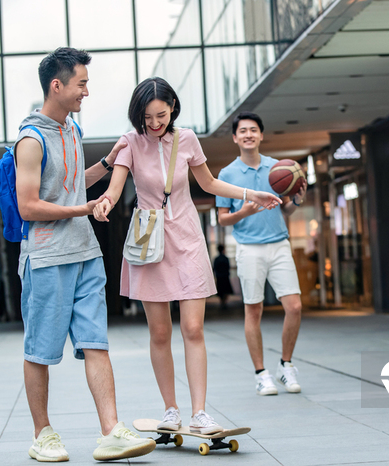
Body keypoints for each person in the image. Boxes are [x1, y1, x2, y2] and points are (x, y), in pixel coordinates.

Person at [93, 78, 281, 434]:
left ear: (173, 108)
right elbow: (114, 190)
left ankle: (199, 412)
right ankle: (170, 410)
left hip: (188, 240)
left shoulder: (188, 139)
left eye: (160, 115)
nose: (154, 123)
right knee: (160, 333)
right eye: (147, 116)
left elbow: (208, 184)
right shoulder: (130, 143)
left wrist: (250, 194)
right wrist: (104, 204)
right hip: (149, 243)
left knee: (193, 328)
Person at [14, 47, 155, 462]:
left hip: (85, 255)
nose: (86, 92)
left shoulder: (71, 129)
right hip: (46, 258)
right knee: (40, 351)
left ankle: (111, 430)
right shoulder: (31, 140)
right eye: (81, 84)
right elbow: (29, 206)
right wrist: (83, 209)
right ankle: (42, 434)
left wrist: (108, 163)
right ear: (56, 86)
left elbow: (75, 184)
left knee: (96, 343)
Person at [215, 112, 307, 396]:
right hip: (248, 248)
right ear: (235, 137)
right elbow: (222, 218)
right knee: (253, 310)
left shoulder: (278, 169)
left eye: (253, 130)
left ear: (261, 135)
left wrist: (299, 201)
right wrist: (241, 211)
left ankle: (286, 365)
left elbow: (287, 208)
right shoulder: (227, 175)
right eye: (243, 131)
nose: (248, 135)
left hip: (279, 243)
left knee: (294, 307)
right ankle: (261, 373)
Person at [212, 244, 233, 309]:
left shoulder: (216, 259)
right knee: (226, 289)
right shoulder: (226, 258)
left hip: (219, 276)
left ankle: (222, 301)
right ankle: (224, 301)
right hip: (225, 276)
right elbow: (228, 267)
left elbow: (214, 268)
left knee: (220, 290)